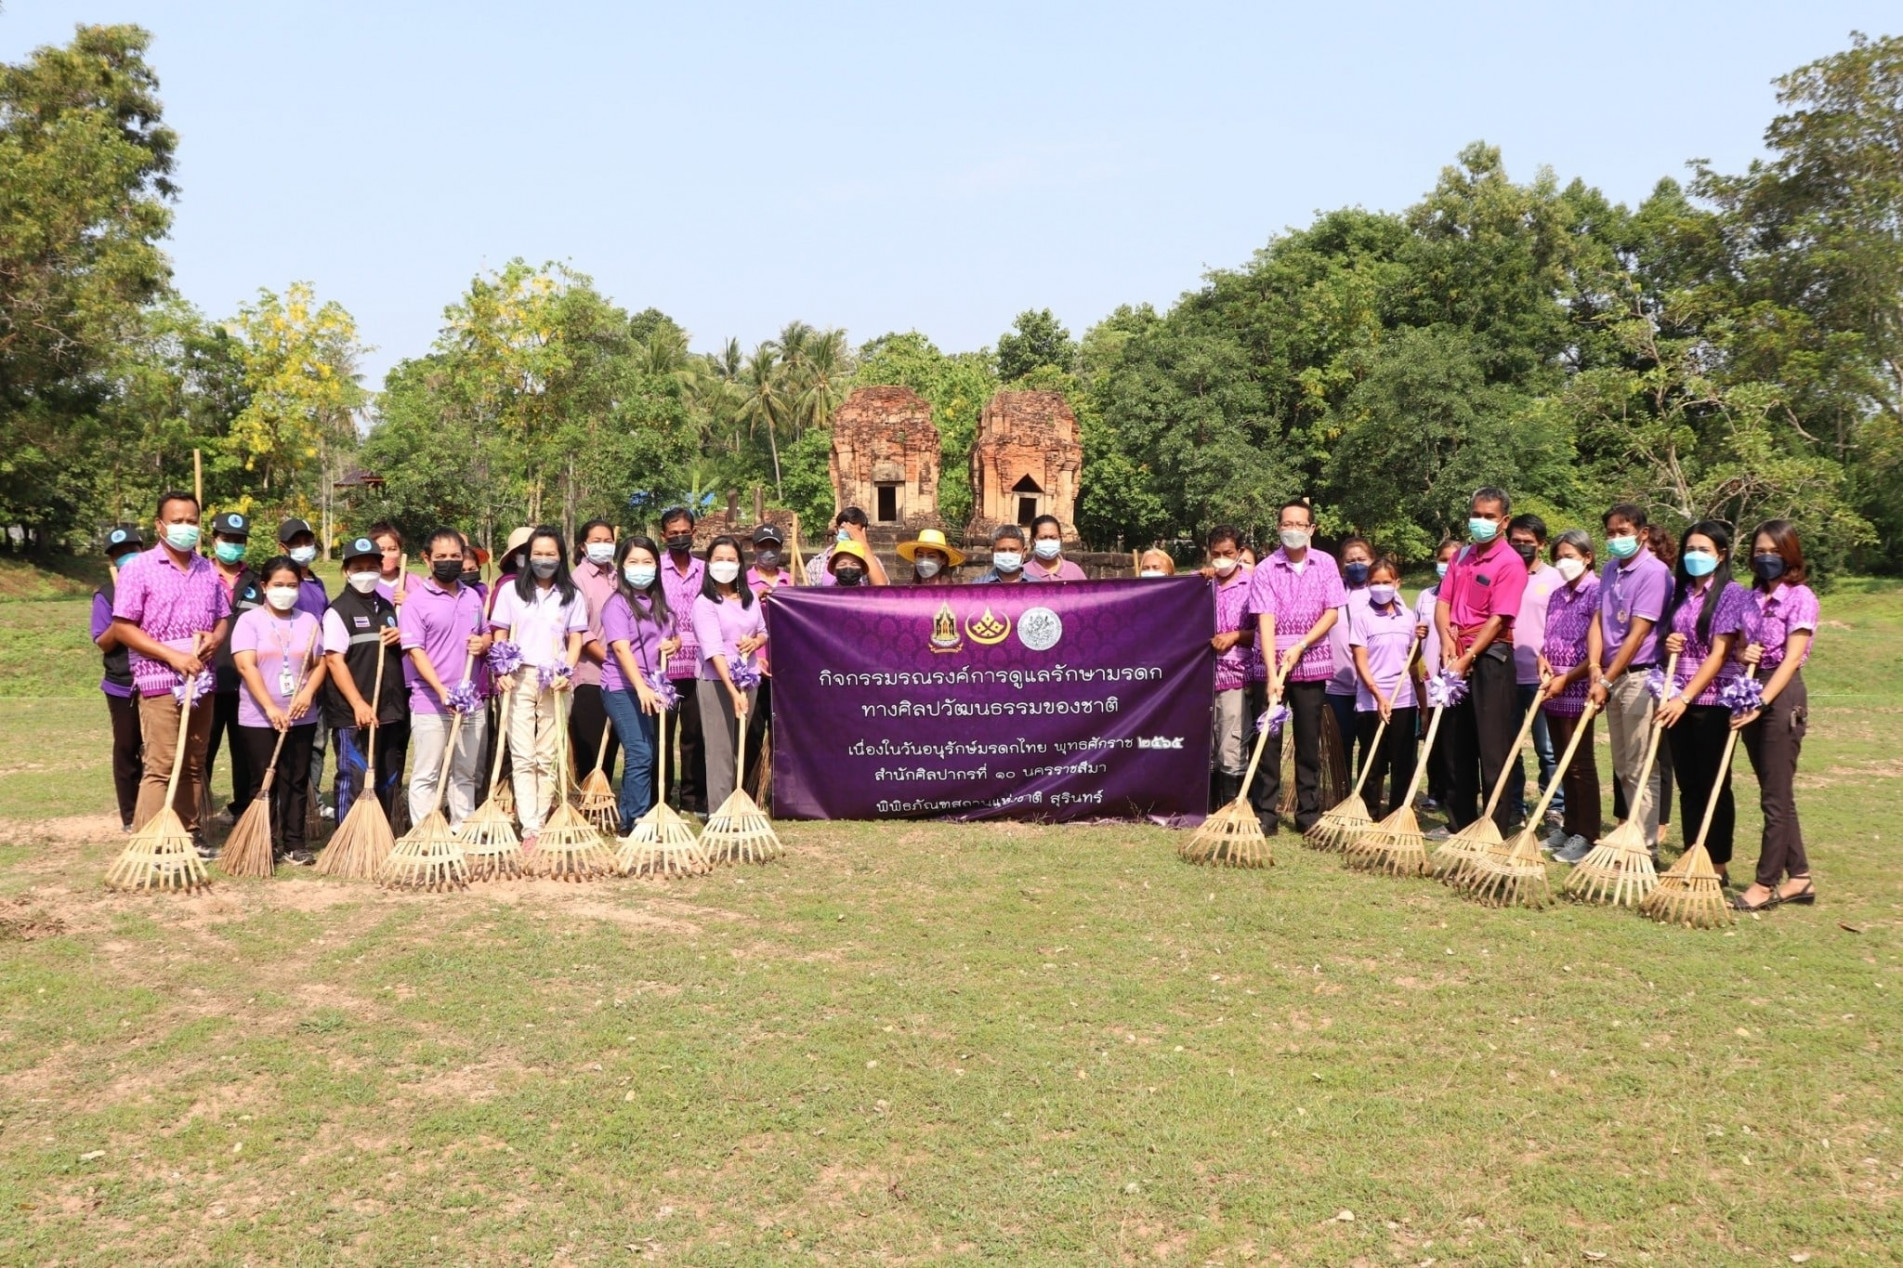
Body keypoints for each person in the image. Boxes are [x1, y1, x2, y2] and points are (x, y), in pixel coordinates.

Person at [110, 491, 231, 857]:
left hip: (201, 677)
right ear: (159, 525)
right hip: (159, 678)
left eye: (192, 521)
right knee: (161, 762)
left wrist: (215, 638)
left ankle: (189, 832)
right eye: (177, 521)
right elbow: (123, 627)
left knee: (195, 760)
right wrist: (171, 656)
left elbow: (222, 617)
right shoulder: (139, 568)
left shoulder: (207, 569)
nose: (185, 527)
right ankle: (152, 842)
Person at [1654, 521, 1750, 885]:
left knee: (1714, 783)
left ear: (1721, 555)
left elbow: (1720, 651)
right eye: (1690, 549)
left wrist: (1686, 697)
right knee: (1688, 783)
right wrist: (1669, 644)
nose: (1696, 556)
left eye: (1704, 550)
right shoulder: (1679, 592)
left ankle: (1718, 864)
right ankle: (1694, 853)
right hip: (1677, 695)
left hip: (1713, 701)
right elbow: (1669, 638)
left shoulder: (1731, 594)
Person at [1732, 520, 1819, 912]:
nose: (1765, 557)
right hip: (1751, 687)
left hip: (1780, 696)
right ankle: (1799, 877)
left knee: (1774, 798)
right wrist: (1741, 653)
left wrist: (1761, 702)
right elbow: (1741, 646)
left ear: (1790, 554)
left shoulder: (1801, 598)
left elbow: (1792, 658)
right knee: (1777, 792)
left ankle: (1765, 883)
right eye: (1759, 551)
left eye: (1773, 551)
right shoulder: (1751, 597)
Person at [1246, 498, 1345, 834]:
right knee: (1268, 742)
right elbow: (1265, 620)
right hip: (1270, 668)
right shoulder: (1264, 569)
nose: (1292, 530)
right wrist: (1273, 675)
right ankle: (1266, 813)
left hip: (1311, 664)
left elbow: (1332, 612)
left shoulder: (1326, 564)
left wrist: (1302, 645)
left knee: (1307, 741)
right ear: (1278, 528)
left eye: (1299, 524)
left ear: (1311, 529)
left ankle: (1308, 813)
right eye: (1286, 524)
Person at [1435, 487, 1529, 837]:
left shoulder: (1509, 563)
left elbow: (1499, 618)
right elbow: (1443, 601)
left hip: (1490, 657)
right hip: (1455, 654)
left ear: (1504, 521)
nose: (1481, 521)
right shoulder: (1460, 557)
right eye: (1477, 514)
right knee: (1455, 745)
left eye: (1490, 516)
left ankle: (1493, 825)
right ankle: (1458, 822)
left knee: (1493, 748)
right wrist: (1447, 643)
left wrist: (1469, 656)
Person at [489, 526, 589, 848]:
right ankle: (529, 827)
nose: (544, 560)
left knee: (547, 754)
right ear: (526, 557)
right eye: (538, 554)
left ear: (561, 557)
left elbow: (575, 639)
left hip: (555, 679)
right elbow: (500, 633)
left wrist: (567, 670)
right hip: (519, 676)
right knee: (522, 754)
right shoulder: (510, 593)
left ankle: (542, 821)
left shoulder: (571, 595)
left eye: (551, 554)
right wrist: (501, 669)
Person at [1587, 503, 1674, 859]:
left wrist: (1605, 679)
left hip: (1640, 676)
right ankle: (1631, 836)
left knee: (1641, 766)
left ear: (1641, 534)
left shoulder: (1655, 573)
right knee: (1622, 765)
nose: (1615, 538)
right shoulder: (1609, 570)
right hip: (1610, 675)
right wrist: (1595, 665)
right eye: (1610, 532)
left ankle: (1645, 847)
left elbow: (1638, 633)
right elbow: (1599, 619)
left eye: (1623, 532)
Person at [230, 555, 329, 864]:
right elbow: (246, 666)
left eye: (291, 585)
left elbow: (320, 662)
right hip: (259, 717)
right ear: (264, 586)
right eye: (278, 585)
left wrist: (308, 693)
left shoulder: (308, 621)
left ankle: (294, 842)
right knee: (263, 780)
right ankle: (265, 839)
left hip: (301, 715)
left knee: (296, 779)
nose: (285, 590)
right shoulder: (249, 621)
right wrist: (270, 707)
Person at [399, 528, 493, 830]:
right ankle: (426, 833)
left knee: (464, 772)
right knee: (428, 772)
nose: (449, 562)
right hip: (432, 702)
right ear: (427, 559)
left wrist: (484, 643)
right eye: (442, 557)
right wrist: (441, 691)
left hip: (471, 701)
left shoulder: (472, 598)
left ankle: (461, 828)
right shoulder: (416, 602)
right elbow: (415, 651)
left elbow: (485, 632)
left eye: (455, 556)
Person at [321, 536, 408, 825]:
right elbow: (334, 660)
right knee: (354, 773)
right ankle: (349, 834)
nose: (366, 573)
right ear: (346, 571)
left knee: (387, 773)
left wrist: (399, 636)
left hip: (389, 708)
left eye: (373, 566)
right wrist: (358, 703)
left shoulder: (386, 607)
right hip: (353, 712)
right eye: (359, 568)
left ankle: (383, 833)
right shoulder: (338, 610)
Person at [600, 535, 675, 833]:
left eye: (647, 562)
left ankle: (636, 815)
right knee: (640, 751)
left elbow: (671, 634)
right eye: (633, 562)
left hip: (651, 686)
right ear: (622, 567)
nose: (640, 568)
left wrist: (676, 643)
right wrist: (641, 687)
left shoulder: (658, 603)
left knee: (649, 750)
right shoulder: (617, 604)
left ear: (656, 566)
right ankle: (632, 821)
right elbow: (620, 648)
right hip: (622, 687)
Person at [1538, 530, 1604, 861]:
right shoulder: (1557, 594)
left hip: (1577, 686)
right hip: (1553, 687)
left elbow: (1597, 647)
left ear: (1587, 557)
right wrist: (1543, 661)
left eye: (1569, 556)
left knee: (1580, 763)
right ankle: (1568, 827)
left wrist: (1567, 677)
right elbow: (1548, 636)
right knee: (1563, 762)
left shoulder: (1598, 592)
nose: (1563, 562)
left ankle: (1587, 832)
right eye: (1558, 557)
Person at [692, 535, 769, 811]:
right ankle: (720, 814)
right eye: (719, 559)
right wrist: (732, 691)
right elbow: (713, 651)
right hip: (718, 682)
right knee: (720, 750)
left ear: (740, 564)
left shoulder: (747, 600)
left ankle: (734, 806)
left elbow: (762, 631)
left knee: (738, 746)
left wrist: (755, 642)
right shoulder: (705, 603)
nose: (725, 564)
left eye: (731, 560)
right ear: (709, 564)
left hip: (748, 680)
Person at [1348, 554, 1419, 818]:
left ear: (1397, 583)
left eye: (1386, 581)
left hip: (1404, 699)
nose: (1381, 587)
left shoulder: (1408, 618)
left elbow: (1413, 659)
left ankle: (1399, 813)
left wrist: (1420, 642)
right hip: (1370, 700)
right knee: (1372, 759)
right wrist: (1377, 694)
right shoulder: (1361, 617)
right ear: (1367, 584)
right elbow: (1360, 659)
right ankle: (1370, 812)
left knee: (1403, 760)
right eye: (1375, 582)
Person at [1506, 513, 1563, 823]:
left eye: (1528, 542)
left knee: (1548, 748)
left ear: (1541, 544)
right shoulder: (1503, 573)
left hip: (1542, 677)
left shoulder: (1555, 578)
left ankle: (1554, 807)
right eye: (1516, 541)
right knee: (1509, 746)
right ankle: (1515, 806)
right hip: (1506, 676)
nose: (1522, 547)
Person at [205, 510, 259, 822]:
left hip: (246, 681)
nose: (233, 545)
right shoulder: (199, 575)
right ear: (215, 540)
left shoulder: (256, 581)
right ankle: (199, 810)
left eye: (239, 541)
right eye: (227, 539)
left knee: (245, 752)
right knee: (203, 751)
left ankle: (243, 809)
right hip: (208, 680)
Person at [276, 517, 332, 818]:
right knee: (286, 742)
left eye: (306, 542)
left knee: (317, 742)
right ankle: (280, 800)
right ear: (282, 547)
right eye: (295, 543)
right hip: (286, 677)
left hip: (317, 674)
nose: (302, 548)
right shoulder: (279, 584)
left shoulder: (317, 584)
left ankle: (312, 800)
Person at [92, 526, 146, 832]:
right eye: (119, 554)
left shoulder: (155, 582)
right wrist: (121, 619)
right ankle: (130, 815)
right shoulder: (105, 593)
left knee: (159, 748)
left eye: (131, 550)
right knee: (127, 746)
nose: (127, 557)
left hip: (159, 679)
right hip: (122, 682)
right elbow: (104, 641)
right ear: (112, 560)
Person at [657, 507, 707, 815]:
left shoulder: (705, 570)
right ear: (663, 536)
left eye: (684, 532)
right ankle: (661, 798)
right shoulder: (655, 569)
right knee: (662, 734)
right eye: (673, 534)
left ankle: (692, 798)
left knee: (694, 735)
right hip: (664, 666)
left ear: (694, 533)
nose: (679, 538)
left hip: (699, 665)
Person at [568, 518, 622, 793]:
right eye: (596, 541)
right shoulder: (577, 580)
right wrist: (611, 660)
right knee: (591, 740)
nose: (603, 546)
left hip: (622, 675)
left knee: (612, 741)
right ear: (583, 546)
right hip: (591, 674)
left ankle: (603, 795)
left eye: (608, 541)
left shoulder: (619, 576)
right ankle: (587, 797)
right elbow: (581, 631)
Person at [742, 523, 793, 801]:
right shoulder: (743, 584)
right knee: (752, 729)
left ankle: (780, 790)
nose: (769, 552)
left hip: (785, 669)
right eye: (764, 547)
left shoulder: (790, 582)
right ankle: (750, 789)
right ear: (754, 548)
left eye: (774, 547)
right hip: (753, 668)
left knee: (783, 732)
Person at [1205, 525, 1254, 810]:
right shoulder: (1201, 583)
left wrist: (1235, 636)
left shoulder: (1252, 585)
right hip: (1202, 677)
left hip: (1236, 675)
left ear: (1239, 553)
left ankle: (1232, 808)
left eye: (1228, 553)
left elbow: (1263, 629)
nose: (1222, 559)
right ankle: (1208, 807)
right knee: (1207, 745)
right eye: (1216, 554)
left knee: (1231, 744)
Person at [1325, 534, 1375, 781]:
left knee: (1371, 744)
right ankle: (1340, 791)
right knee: (1340, 742)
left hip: (1371, 686)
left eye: (1361, 559)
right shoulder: (1333, 593)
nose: (1356, 565)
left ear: (1372, 560)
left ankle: (1367, 796)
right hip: (1336, 685)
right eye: (1350, 560)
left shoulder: (1381, 593)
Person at [1415, 538, 1460, 812]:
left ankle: (1457, 794)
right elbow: (1417, 643)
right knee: (1431, 738)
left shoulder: (1465, 595)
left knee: (1454, 740)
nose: (1447, 564)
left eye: (1453, 559)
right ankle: (1435, 793)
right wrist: (1420, 673)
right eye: (1443, 559)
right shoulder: (1425, 596)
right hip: (1429, 678)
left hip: (1455, 680)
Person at [807, 507, 889, 586]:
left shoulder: (871, 562)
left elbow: (881, 588)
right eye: (846, 530)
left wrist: (863, 545)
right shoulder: (817, 563)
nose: (851, 534)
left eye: (855, 532)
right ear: (836, 529)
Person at [1025, 514, 1087, 581]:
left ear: (1060, 539)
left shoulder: (1074, 571)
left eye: (1053, 537)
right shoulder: (1023, 573)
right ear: (1032, 541)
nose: (1048, 541)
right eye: (1043, 538)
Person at [897, 528, 964, 585]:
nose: (924, 561)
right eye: (920, 556)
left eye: (931, 556)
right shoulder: (906, 592)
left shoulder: (952, 593)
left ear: (943, 560)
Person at [369, 521, 410, 607]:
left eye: (392, 549)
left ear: (400, 551)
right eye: (381, 549)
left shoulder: (415, 582)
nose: (386, 555)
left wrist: (411, 602)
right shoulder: (364, 582)